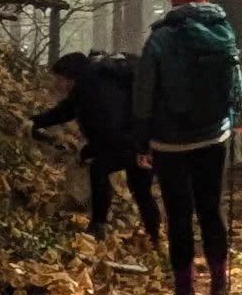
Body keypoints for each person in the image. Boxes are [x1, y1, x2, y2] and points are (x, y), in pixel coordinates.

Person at [133, 0, 242, 295]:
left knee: (179, 215)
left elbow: (143, 96)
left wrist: (141, 142)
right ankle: (220, 291)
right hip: (214, 137)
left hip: (170, 143)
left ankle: (183, 293)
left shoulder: (160, 39)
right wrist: (229, 123)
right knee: (211, 210)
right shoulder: (223, 30)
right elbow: (237, 91)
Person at [31, 51, 162, 246]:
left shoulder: (92, 89)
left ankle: (98, 226)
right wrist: (37, 121)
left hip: (130, 142)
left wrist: (90, 151)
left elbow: (109, 128)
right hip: (146, 139)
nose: (56, 85)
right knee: (141, 190)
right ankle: (155, 237)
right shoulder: (92, 82)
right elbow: (66, 111)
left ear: (70, 78)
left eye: (58, 79)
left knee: (99, 168)